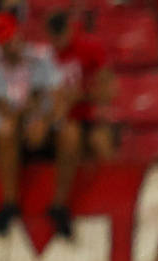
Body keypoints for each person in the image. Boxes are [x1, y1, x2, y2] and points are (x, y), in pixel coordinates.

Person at [0, 11, 78, 237]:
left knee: (71, 134)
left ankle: (59, 206)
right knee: (6, 130)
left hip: (43, 122)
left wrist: (45, 121)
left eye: (13, 37)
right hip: (9, 128)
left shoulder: (42, 57)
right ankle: (9, 203)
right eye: (5, 41)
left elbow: (59, 98)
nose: (12, 44)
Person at [45, 9, 114, 161]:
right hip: (58, 119)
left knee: (100, 142)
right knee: (69, 135)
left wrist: (81, 95)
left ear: (69, 29)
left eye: (61, 35)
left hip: (87, 115)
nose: (59, 41)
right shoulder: (46, 56)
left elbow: (108, 91)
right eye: (55, 37)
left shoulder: (90, 48)